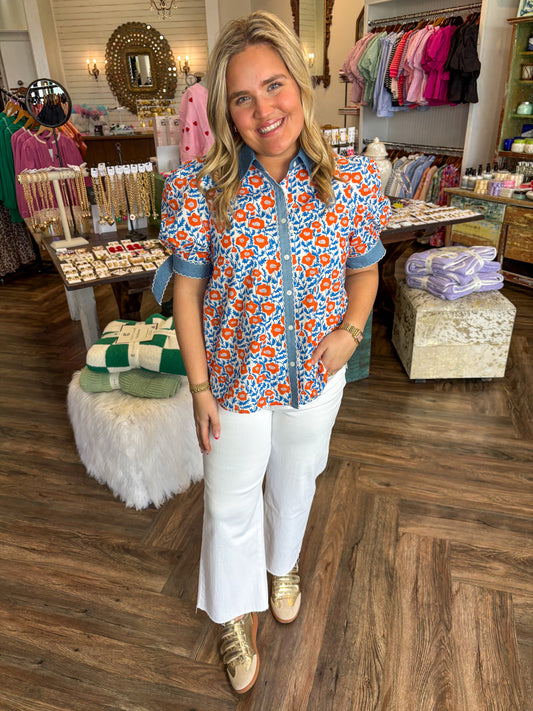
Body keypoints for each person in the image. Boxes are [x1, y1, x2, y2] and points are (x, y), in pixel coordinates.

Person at [152, 10, 390, 694]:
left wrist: (347, 332)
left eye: (274, 85)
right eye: (242, 98)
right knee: (230, 500)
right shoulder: (201, 192)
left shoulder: (347, 184)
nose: (263, 110)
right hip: (232, 380)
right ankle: (232, 613)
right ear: (224, 112)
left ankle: (280, 565)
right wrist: (198, 388)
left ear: (300, 86)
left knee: (296, 480)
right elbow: (187, 297)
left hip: (318, 376)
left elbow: (365, 267)